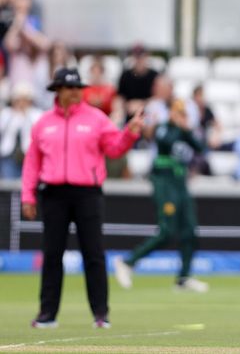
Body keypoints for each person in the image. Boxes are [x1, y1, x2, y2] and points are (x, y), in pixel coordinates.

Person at [21, 67, 144, 329]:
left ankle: (101, 314)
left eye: (79, 88)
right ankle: (47, 314)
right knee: (52, 254)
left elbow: (114, 148)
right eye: (70, 88)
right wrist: (27, 196)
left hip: (87, 193)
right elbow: (32, 162)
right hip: (53, 193)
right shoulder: (44, 123)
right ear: (58, 91)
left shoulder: (97, 119)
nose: (76, 93)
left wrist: (130, 132)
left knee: (94, 254)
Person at [113, 99, 209, 293]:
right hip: (165, 183)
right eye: (179, 114)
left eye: (184, 114)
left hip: (180, 183)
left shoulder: (186, 132)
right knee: (167, 230)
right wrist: (180, 128)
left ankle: (184, 277)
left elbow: (200, 148)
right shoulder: (164, 128)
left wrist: (187, 130)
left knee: (189, 230)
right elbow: (165, 141)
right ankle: (128, 262)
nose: (182, 118)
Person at [0, 81, 42, 179]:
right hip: (9, 156)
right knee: (8, 184)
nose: (21, 103)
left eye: (24, 100)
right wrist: (16, 115)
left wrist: (25, 114)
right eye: (18, 100)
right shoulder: (7, 114)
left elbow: (36, 131)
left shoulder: (36, 114)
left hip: (28, 156)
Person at [118, 44, 159, 123]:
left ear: (147, 56)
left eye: (141, 56)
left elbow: (159, 97)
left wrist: (141, 104)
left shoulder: (154, 75)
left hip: (149, 113)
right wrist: (124, 107)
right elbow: (120, 96)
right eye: (137, 56)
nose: (139, 59)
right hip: (129, 113)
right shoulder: (126, 75)